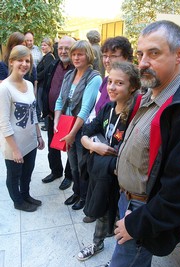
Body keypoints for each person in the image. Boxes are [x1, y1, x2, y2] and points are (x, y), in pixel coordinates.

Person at [108, 20, 180, 267]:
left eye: (154, 53)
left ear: (179, 55)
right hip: (129, 202)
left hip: (143, 211)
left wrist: (136, 222)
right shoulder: (149, 94)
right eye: (141, 54)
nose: (142, 63)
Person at [77, 61, 141, 262]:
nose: (111, 87)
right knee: (102, 212)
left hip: (124, 182)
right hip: (104, 176)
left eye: (119, 83)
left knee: (121, 220)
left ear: (132, 87)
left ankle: (116, 260)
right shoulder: (107, 108)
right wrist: (93, 146)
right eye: (110, 81)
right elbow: (86, 132)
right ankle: (97, 243)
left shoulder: (136, 114)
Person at [83, 36, 134, 224]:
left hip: (115, 161)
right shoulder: (106, 81)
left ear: (127, 58)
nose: (107, 60)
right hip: (99, 144)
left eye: (113, 55)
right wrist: (89, 142)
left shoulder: (135, 102)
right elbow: (96, 114)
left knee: (111, 202)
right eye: (104, 55)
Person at [54, 40, 102, 210]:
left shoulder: (94, 77)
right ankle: (76, 192)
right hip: (67, 126)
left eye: (80, 54)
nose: (75, 57)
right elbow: (60, 100)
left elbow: (85, 109)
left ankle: (84, 196)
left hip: (81, 128)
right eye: (74, 54)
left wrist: (73, 133)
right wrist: (56, 123)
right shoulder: (69, 75)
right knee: (72, 162)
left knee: (83, 165)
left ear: (88, 55)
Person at [0, 45, 45, 212]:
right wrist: (15, 150)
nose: (24, 64)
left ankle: (25, 195)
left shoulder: (28, 84)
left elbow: (33, 112)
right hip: (14, 144)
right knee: (14, 175)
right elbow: (3, 122)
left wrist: (39, 136)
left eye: (28, 60)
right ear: (11, 62)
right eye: (20, 60)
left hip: (30, 140)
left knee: (27, 172)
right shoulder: (4, 88)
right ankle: (18, 202)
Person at [41, 36, 76, 190]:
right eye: (60, 48)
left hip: (70, 118)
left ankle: (69, 176)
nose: (63, 51)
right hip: (51, 115)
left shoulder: (78, 69)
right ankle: (56, 171)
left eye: (67, 48)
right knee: (52, 146)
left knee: (70, 149)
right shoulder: (54, 64)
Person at [36, 37, 55, 129]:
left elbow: (46, 71)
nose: (43, 47)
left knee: (43, 104)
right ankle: (46, 124)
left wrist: (36, 76)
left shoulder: (49, 57)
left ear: (50, 46)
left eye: (45, 45)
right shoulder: (45, 56)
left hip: (43, 84)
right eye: (42, 45)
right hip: (41, 84)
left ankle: (48, 125)